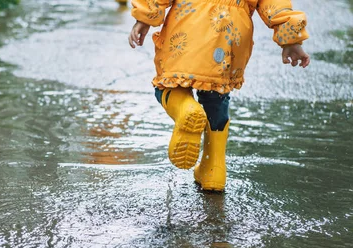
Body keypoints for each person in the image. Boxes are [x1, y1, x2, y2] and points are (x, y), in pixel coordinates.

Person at [128, 0, 310, 191]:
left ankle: (186, 109)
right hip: (231, 33)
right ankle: (214, 171)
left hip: (189, 23)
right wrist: (291, 39)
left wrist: (144, 18)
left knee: (168, 84)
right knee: (217, 94)